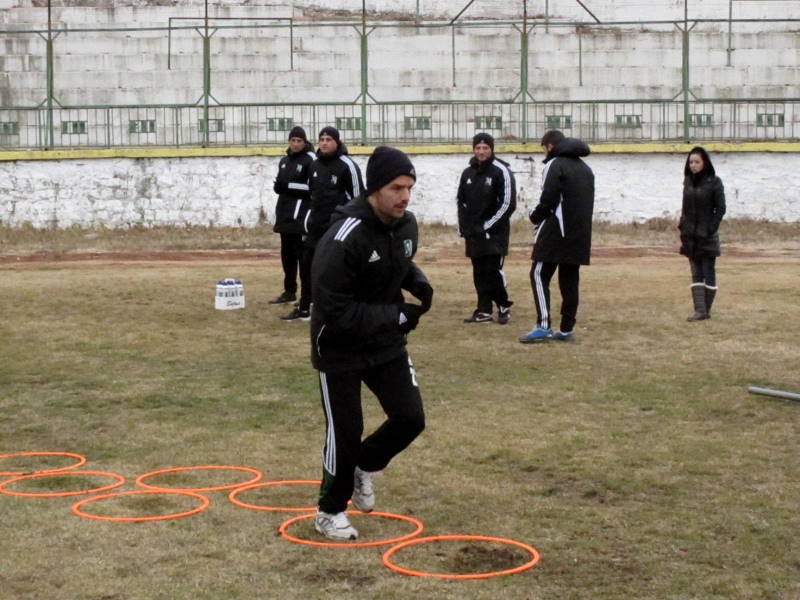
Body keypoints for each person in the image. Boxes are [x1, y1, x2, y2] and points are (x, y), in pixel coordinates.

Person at [309, 146, 432, 541]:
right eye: (397, 187)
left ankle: (367, 465)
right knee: (345, 432)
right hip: (339, 346)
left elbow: (396, 259)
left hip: (384, 343)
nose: (405, 196)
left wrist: (416, 281)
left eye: (410, 187)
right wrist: (394, 315)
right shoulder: (342, 238)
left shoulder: (406, 225)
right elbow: (335, 309)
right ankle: (329, 511)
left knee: (410, 418)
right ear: (375, 188)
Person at [281, 126, 364, 321]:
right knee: (308, 267)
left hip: (338, 229)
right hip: (315, 228)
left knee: (337, 271)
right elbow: (311, 195)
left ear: (337, 141)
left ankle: (342, 308)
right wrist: (308, 220)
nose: (325, 143)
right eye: (322, 139)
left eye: (328, 139)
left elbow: (359, 199)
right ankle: (304, 309)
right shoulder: (315, 165)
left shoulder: (347, 166)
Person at [519, 130, 594, 343]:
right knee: (570, 280)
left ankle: (543, 325)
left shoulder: (554, 165)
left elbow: (549, 198)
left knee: (538, 274)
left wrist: (535, 217)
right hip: (579, 234)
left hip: (556, 232)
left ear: (549, 146)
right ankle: (566, 329)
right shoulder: (586, 169)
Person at [457, 132, 517, 324]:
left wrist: (488, 226)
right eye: (478, 148)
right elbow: (461, 201)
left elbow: (508, 204)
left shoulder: (502, 171)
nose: (481, 152)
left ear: (491, 149)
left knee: (492, 271)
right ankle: (483, 310)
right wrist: (464, 227)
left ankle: (503, 305)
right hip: (473, 233)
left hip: (494, 233)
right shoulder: (468, 173)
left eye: (485, 148)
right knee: (479, 271)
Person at [269, 126, 316, 305]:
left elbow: (312, 189)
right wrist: (279, 187)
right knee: (286, 256)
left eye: (299, 141)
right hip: (284, 215)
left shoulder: (311, 159)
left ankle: (308, 295)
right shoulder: (284, 161)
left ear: (305, 142)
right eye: (293, 141)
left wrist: (288, 186)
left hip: (301, 217)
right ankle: (289, 291)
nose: (296, 144)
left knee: (303, 258)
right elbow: (282, 185)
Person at [678, 146, 726, 321]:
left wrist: (710, 228)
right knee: (696, 271)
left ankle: (706, 310)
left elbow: (720, 208)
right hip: (690, 235)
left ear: (704, 163)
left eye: (697, 161)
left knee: (708, 269)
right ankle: (700, 310)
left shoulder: (715, 182)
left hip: (707, 235)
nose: (693, 165)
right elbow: (685, 208)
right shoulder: (688, 182)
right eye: (690, 162)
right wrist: (683, 226)